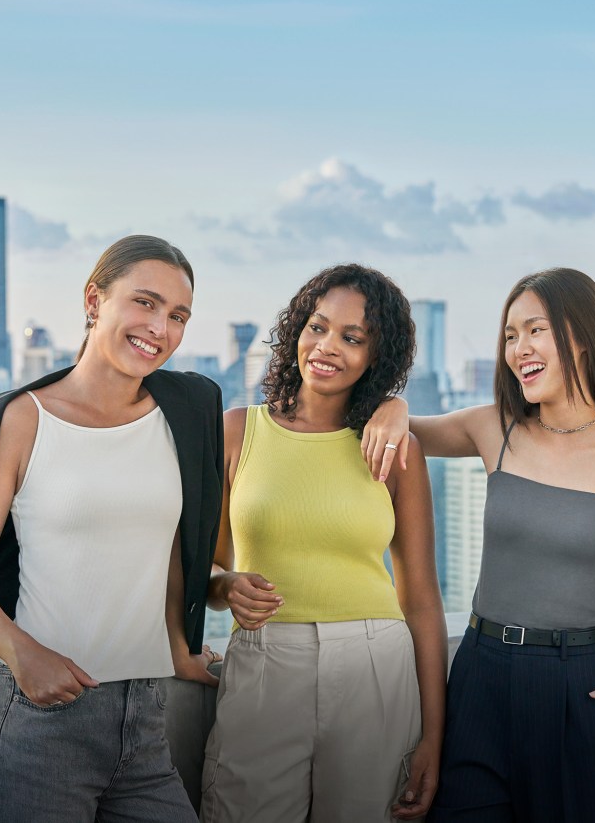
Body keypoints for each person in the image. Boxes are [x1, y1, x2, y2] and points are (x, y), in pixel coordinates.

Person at [361, 267, 595, 822]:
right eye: (510, 335)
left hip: (579, 690)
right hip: (480, 678)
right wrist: (393, 405)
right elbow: (405, 430)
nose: (518, 349)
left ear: (581, 336)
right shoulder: (496, 428)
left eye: (535, 330)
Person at [0, 236, 223, 823]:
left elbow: (173, 550)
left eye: (178, 316)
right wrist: (25, 655)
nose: (160, 327)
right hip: (38, 726)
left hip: (147, 723)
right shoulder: (22, 420)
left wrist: (180, 646)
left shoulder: (186, 412)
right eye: (145, 303)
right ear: (94, 300)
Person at [200, 265, 447, 823]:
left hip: (375, 668)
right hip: (264, 664)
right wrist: (226, 586)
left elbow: (423, 602)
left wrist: (433, 735)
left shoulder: (396, 449)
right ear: (295, 332)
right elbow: (209, 568)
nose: (326, 347)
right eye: (317, 327)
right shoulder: (239, 430)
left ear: (374, 357)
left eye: (352, 337)